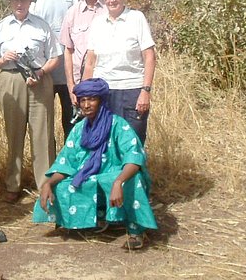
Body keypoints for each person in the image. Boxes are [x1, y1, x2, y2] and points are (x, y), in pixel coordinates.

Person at [33, 78, 158, 250]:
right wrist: (48, 183)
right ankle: (95, 218)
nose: (86, 105)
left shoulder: (118, 125)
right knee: (58, 186)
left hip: (112, 177)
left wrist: (118, 181)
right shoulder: (79, 129)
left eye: (91, 99)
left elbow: (134, 159)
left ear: (102, 100)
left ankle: (136, 230)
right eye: (83, 100)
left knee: (133, 180)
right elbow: (66, 163)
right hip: (88, 178)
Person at [0, 0, 61, 203]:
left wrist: (40, 73)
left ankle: (44, 186)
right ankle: (13, 184)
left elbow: (55, 57)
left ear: (31, 2)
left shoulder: (42, 26)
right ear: (10, 2)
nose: (19, 3)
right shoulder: (1, 26)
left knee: (43, 134)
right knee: (14, 133)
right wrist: (3, 59)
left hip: (39, 82)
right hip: (10, 81)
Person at [82, 0, 155, 145]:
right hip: (104, 91)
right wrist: (85, 93)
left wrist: (145, 91)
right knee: (104, 141)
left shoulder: (137, 18)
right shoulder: (98, 22)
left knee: (132, 142)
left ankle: (133, 172)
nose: (112, 0)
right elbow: (91, 62)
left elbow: (149, 56)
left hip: (132, 91)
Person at [30, 0, 81, 140]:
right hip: (45, 71)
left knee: (72, 119)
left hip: (69, 71)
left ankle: (72, 161)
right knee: (44, 121)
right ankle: (50, 162)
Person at [60, 0, 108, 107]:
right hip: (80, 84)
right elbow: (68, 51)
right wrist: (70, 85)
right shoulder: (72, 13)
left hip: (106, 81)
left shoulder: (108, 10)